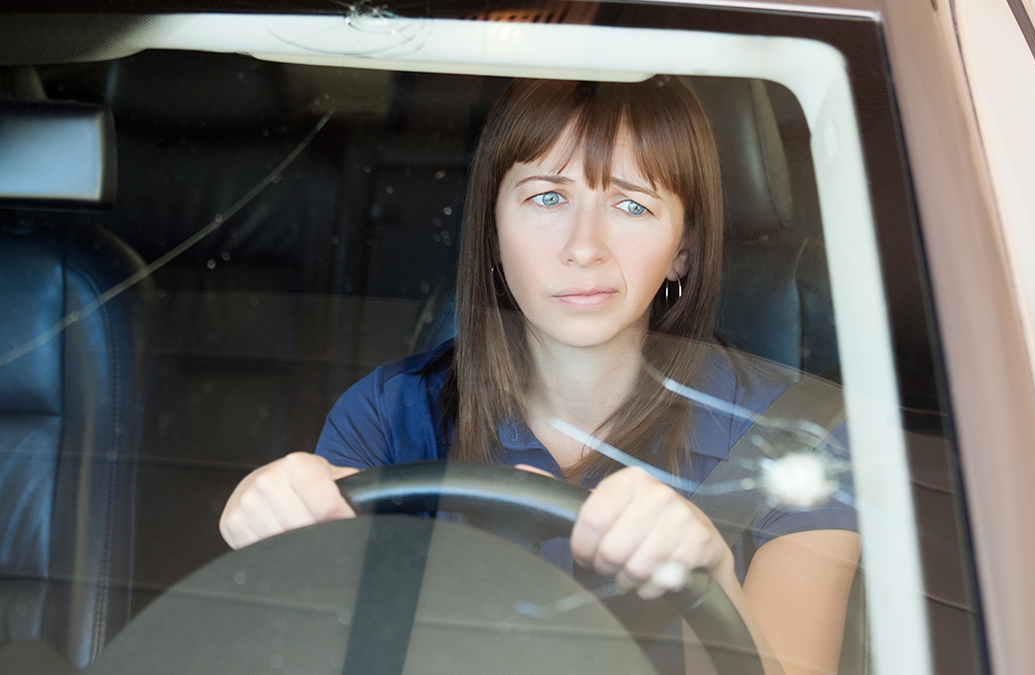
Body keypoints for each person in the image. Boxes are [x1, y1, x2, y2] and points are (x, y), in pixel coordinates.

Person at [220, 76, 860, 675]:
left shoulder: (797, 442)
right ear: (495, 227)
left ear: (682, 250)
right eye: (548, 197)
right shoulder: (391, 413)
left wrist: (712, 571)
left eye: (631, 206)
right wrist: (279, 519)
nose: (584, 246)